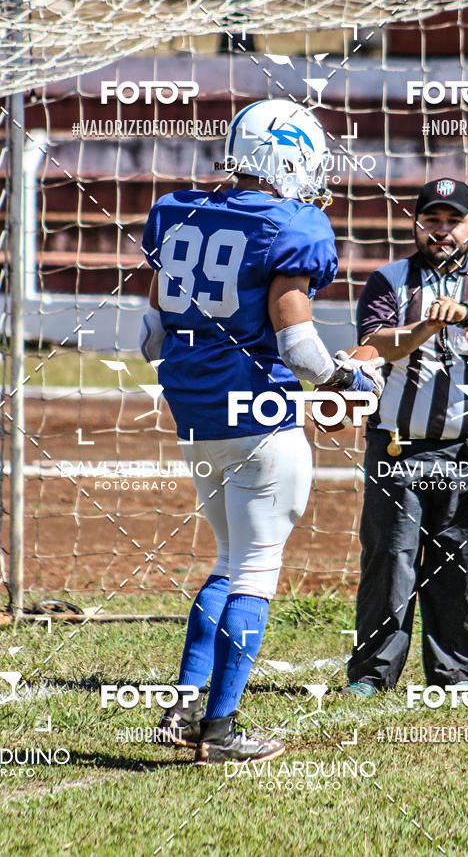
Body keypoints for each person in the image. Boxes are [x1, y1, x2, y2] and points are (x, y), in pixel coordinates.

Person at [138, 98, 383, 762]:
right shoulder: (294, 222)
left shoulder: (177, 210)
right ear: (289, 156)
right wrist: (351, 381)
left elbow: (150, 337)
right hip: (262, 416)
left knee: (227, 559)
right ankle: (218, 730)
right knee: (255, 567)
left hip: (196, 415)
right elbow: (299, 343)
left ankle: (184, 704)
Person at [343, 178, 468, 697]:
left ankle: (451, 675)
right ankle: (374, 674)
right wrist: (423, 327)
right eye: (432, 220)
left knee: (456, 563)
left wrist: (466, 315)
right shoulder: (389, 280)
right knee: (390, 559)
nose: (442, 231)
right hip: (398, 445)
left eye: (453, 221)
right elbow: (373, 345)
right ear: (417, 223)